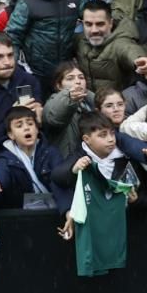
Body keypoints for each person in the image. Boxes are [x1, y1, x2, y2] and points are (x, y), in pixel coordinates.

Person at [56, 112, 139, 276]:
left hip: (116, 234)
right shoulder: (79, 157)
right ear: (87, 139)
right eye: (102, 135)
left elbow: (137, 191)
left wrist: (134, 200)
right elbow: (57, 178)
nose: (110, 139)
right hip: (91, 233)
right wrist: (74, 170)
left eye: (112, 133)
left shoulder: (124, 158)